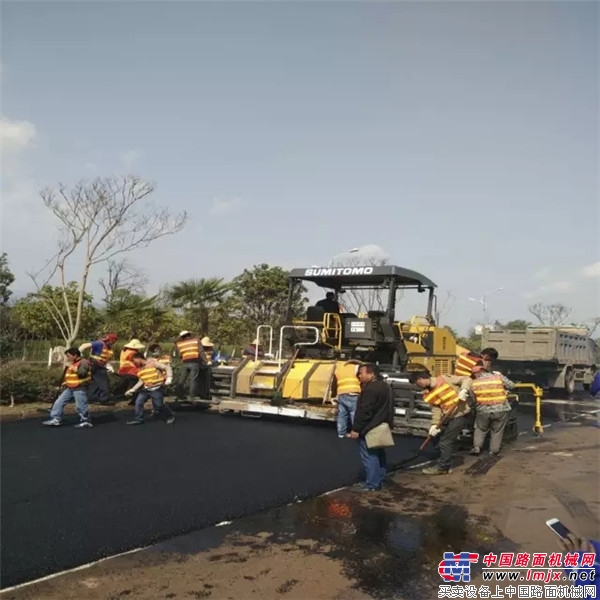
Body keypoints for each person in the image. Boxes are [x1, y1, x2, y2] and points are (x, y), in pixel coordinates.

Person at [409, 369, 472, 475]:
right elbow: (436, 409)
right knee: (438, 438)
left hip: (461, 413)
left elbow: (467, 379)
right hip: (448, 415)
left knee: (445, 441)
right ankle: (446, 459)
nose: (417, 386)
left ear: (420, 380)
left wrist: (464, 390)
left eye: (416, 384)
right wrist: (434, 424)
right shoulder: (426, 393)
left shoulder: (444, 379)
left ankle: (443, 467)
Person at [348, 363, 394, 491]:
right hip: (382, 424)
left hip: (370, 427)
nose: (359, 376)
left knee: (370, 455)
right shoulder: (386, 387)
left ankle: (372, 484)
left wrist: (356, 429)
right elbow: (390, 407)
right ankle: (379, 478)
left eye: (361, 373)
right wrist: (390, 423)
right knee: (379, 453)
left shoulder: (371, 389)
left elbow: (365, 410)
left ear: (371, 373)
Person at [469, 362, 515, 457]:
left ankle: (477, 447)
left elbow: (473, 399)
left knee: (480, 429)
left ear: (477, 373)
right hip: (500, 409)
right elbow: (512, 386)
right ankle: (493, 451)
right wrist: (501, 375)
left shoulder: (473, 383)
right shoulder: (498, 377)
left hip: (482, 410)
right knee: (497, 431)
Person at [43, 348, 93, 428]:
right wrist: (66, 382)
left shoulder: (84, 362)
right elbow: (72, 376)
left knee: (80, 405)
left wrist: (72, 367)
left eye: (69, 356)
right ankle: (56, 419)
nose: (68, 358)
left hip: (79, 387)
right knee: (59, 402)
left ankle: (85, 420)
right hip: (70, 387)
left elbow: (82, 373)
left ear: (75, 355)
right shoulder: (74, 363)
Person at [125, 352, 175, 425]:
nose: (133, 363)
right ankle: (138, 419)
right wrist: (132, 389)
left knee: (159, 405)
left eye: (134, 360)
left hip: (157, 388)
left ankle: (170, 415)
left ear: (139, 358)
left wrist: (169, 378)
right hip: (146, 389)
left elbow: (167, 367)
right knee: (138, 402)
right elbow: (141, 381)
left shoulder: (153, 363)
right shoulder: (140, 369)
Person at [79, 333, 118, 405]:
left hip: (101, 365)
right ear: (110, 340)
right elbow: (84, 345)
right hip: (95, 365)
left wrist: (109, 366)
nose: (114, 343)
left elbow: (105, 358)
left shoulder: (108, 347)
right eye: (113, 341)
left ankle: (92, 397)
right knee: (104, 381)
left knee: (96, 383)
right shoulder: (99, 343)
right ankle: (104, 399)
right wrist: (79, 353)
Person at [174, 331, 211, 400]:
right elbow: (201, 352)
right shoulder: (196, 341)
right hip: (194, 363)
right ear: (189, 335)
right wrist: (207, 361)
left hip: (185, 363)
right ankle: (192, 396)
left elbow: (180, 355)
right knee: (193, 379)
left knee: (182, 379)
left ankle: (179, 395)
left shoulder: (179, 344)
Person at [331, 359, 362, 438]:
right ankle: (355, 431)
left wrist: (333, 395)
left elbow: (334, 384)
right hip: (353, 393)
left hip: (341, 393)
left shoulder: (339, 369)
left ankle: (341, 433)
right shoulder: (357, 367)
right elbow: (362, 380)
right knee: (354, 412)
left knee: (342, 414)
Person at [116, 338, 146, 403]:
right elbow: (138, 362)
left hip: (122, 369)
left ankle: (120, 394)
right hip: (130, 370)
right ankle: (133, 396)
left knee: (127, 382)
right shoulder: (133, 353)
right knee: (137, 380)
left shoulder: (124, 351)